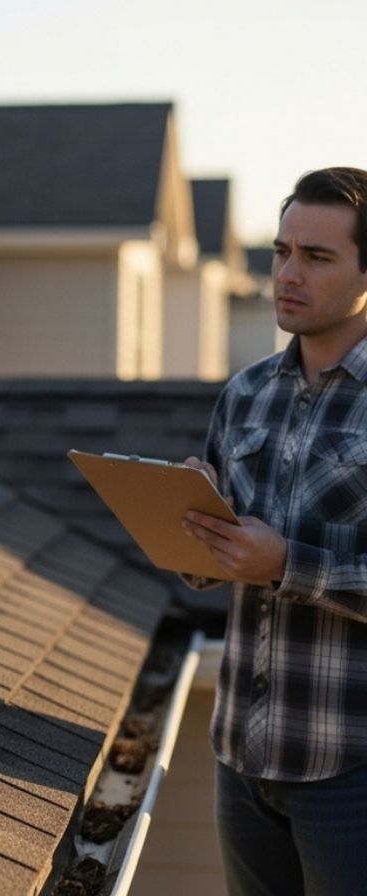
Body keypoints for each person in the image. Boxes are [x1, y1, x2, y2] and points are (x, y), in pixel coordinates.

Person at [182, 166, 367, 896]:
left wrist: (289, 562)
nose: (288, 274)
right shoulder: (246, 392)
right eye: (280, 251)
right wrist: (192, 528)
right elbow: (216, 566)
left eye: (316, 257)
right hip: (241, 759)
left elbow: (275, 562)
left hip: (350, 771)